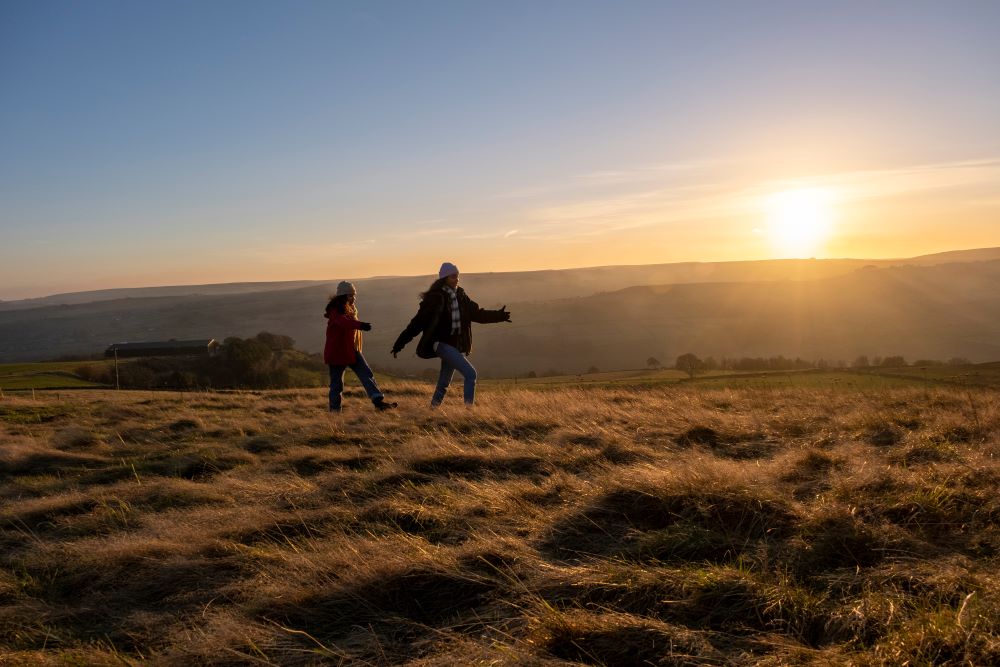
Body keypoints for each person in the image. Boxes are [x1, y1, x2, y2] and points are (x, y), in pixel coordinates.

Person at [391, 263, 510, 407]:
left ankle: (433, 409)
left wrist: (499, 316)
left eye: (458, 276)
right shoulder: (435, 298)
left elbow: (477, 314)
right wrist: (400, 343)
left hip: (456, 345)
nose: (457, 279)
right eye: (453, 276)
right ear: (445, 278)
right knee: (470, 374)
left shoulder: (461, 295)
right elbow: (416, 324)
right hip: (441, 343)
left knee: (444, 381)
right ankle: (469, 411)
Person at [324, 281, 396, 413]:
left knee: (366, 374)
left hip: (351, 350)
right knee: (337, 384)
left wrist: (359, 325)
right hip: (337, 353)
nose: (353, 298)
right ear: (343, 296)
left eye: (354, 295)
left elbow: (347, 323)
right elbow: (343, 323)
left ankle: (379, 402)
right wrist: (360, 325)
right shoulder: (335, 310)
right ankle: (335, 412)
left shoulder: (350, 309)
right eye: (350, 295)